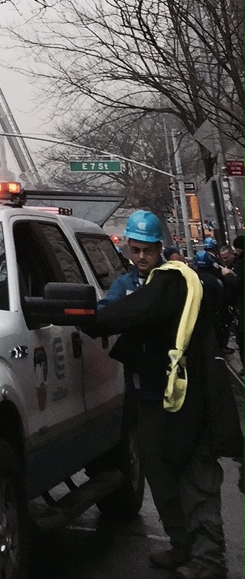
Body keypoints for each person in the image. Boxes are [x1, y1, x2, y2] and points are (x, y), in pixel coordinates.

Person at [93, 208, 242, 579]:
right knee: (160, 478)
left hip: (188, 402)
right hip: (149, 401)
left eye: (147, 249)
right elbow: (109, 313)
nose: (140, 256)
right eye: (135, 248)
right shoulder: (126, 285)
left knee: (197, 480)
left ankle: (208, 561)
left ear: (161, 247)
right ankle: (181, 546)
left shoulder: (180, 282)